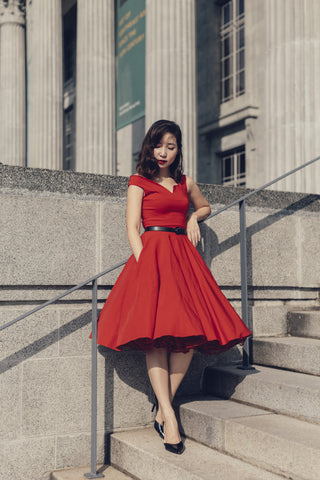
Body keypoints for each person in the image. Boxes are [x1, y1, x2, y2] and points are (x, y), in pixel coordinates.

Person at [95, 119, 252, 455]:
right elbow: (132, 227)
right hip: (150, 259)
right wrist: (143, 266)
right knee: (154, 340)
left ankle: (161, 407)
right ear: (149, 147)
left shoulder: (185, 182)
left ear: (179, 149)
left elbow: (204, 205)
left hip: (182, 260)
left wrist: (194, 218)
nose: (164, 152)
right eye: (158, 145)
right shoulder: (138, 182)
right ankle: (168, 415)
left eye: (171, 145)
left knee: (190, 338)